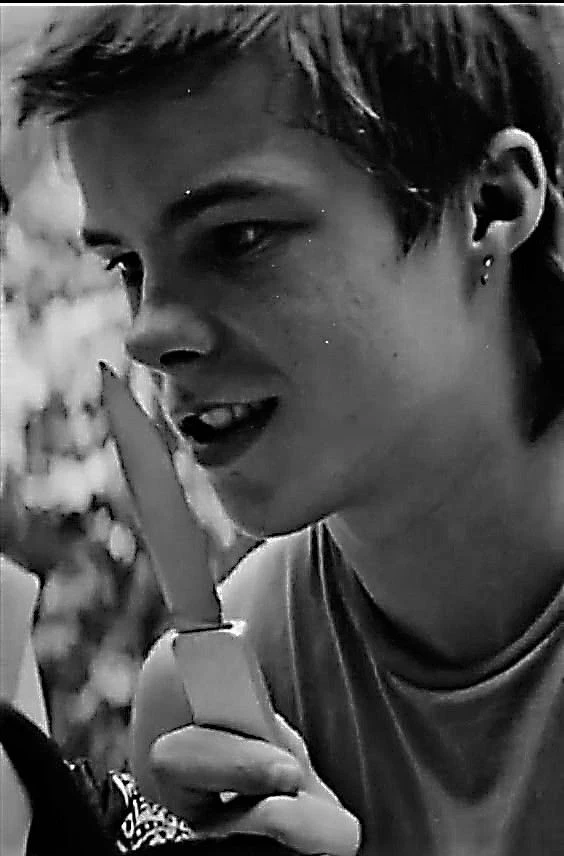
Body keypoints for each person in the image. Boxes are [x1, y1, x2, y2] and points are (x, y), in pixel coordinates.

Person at [14, 5, 564, 854]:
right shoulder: (212, 715)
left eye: (236, 238)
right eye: (127, 264)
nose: (147, 334)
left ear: (489, 203)